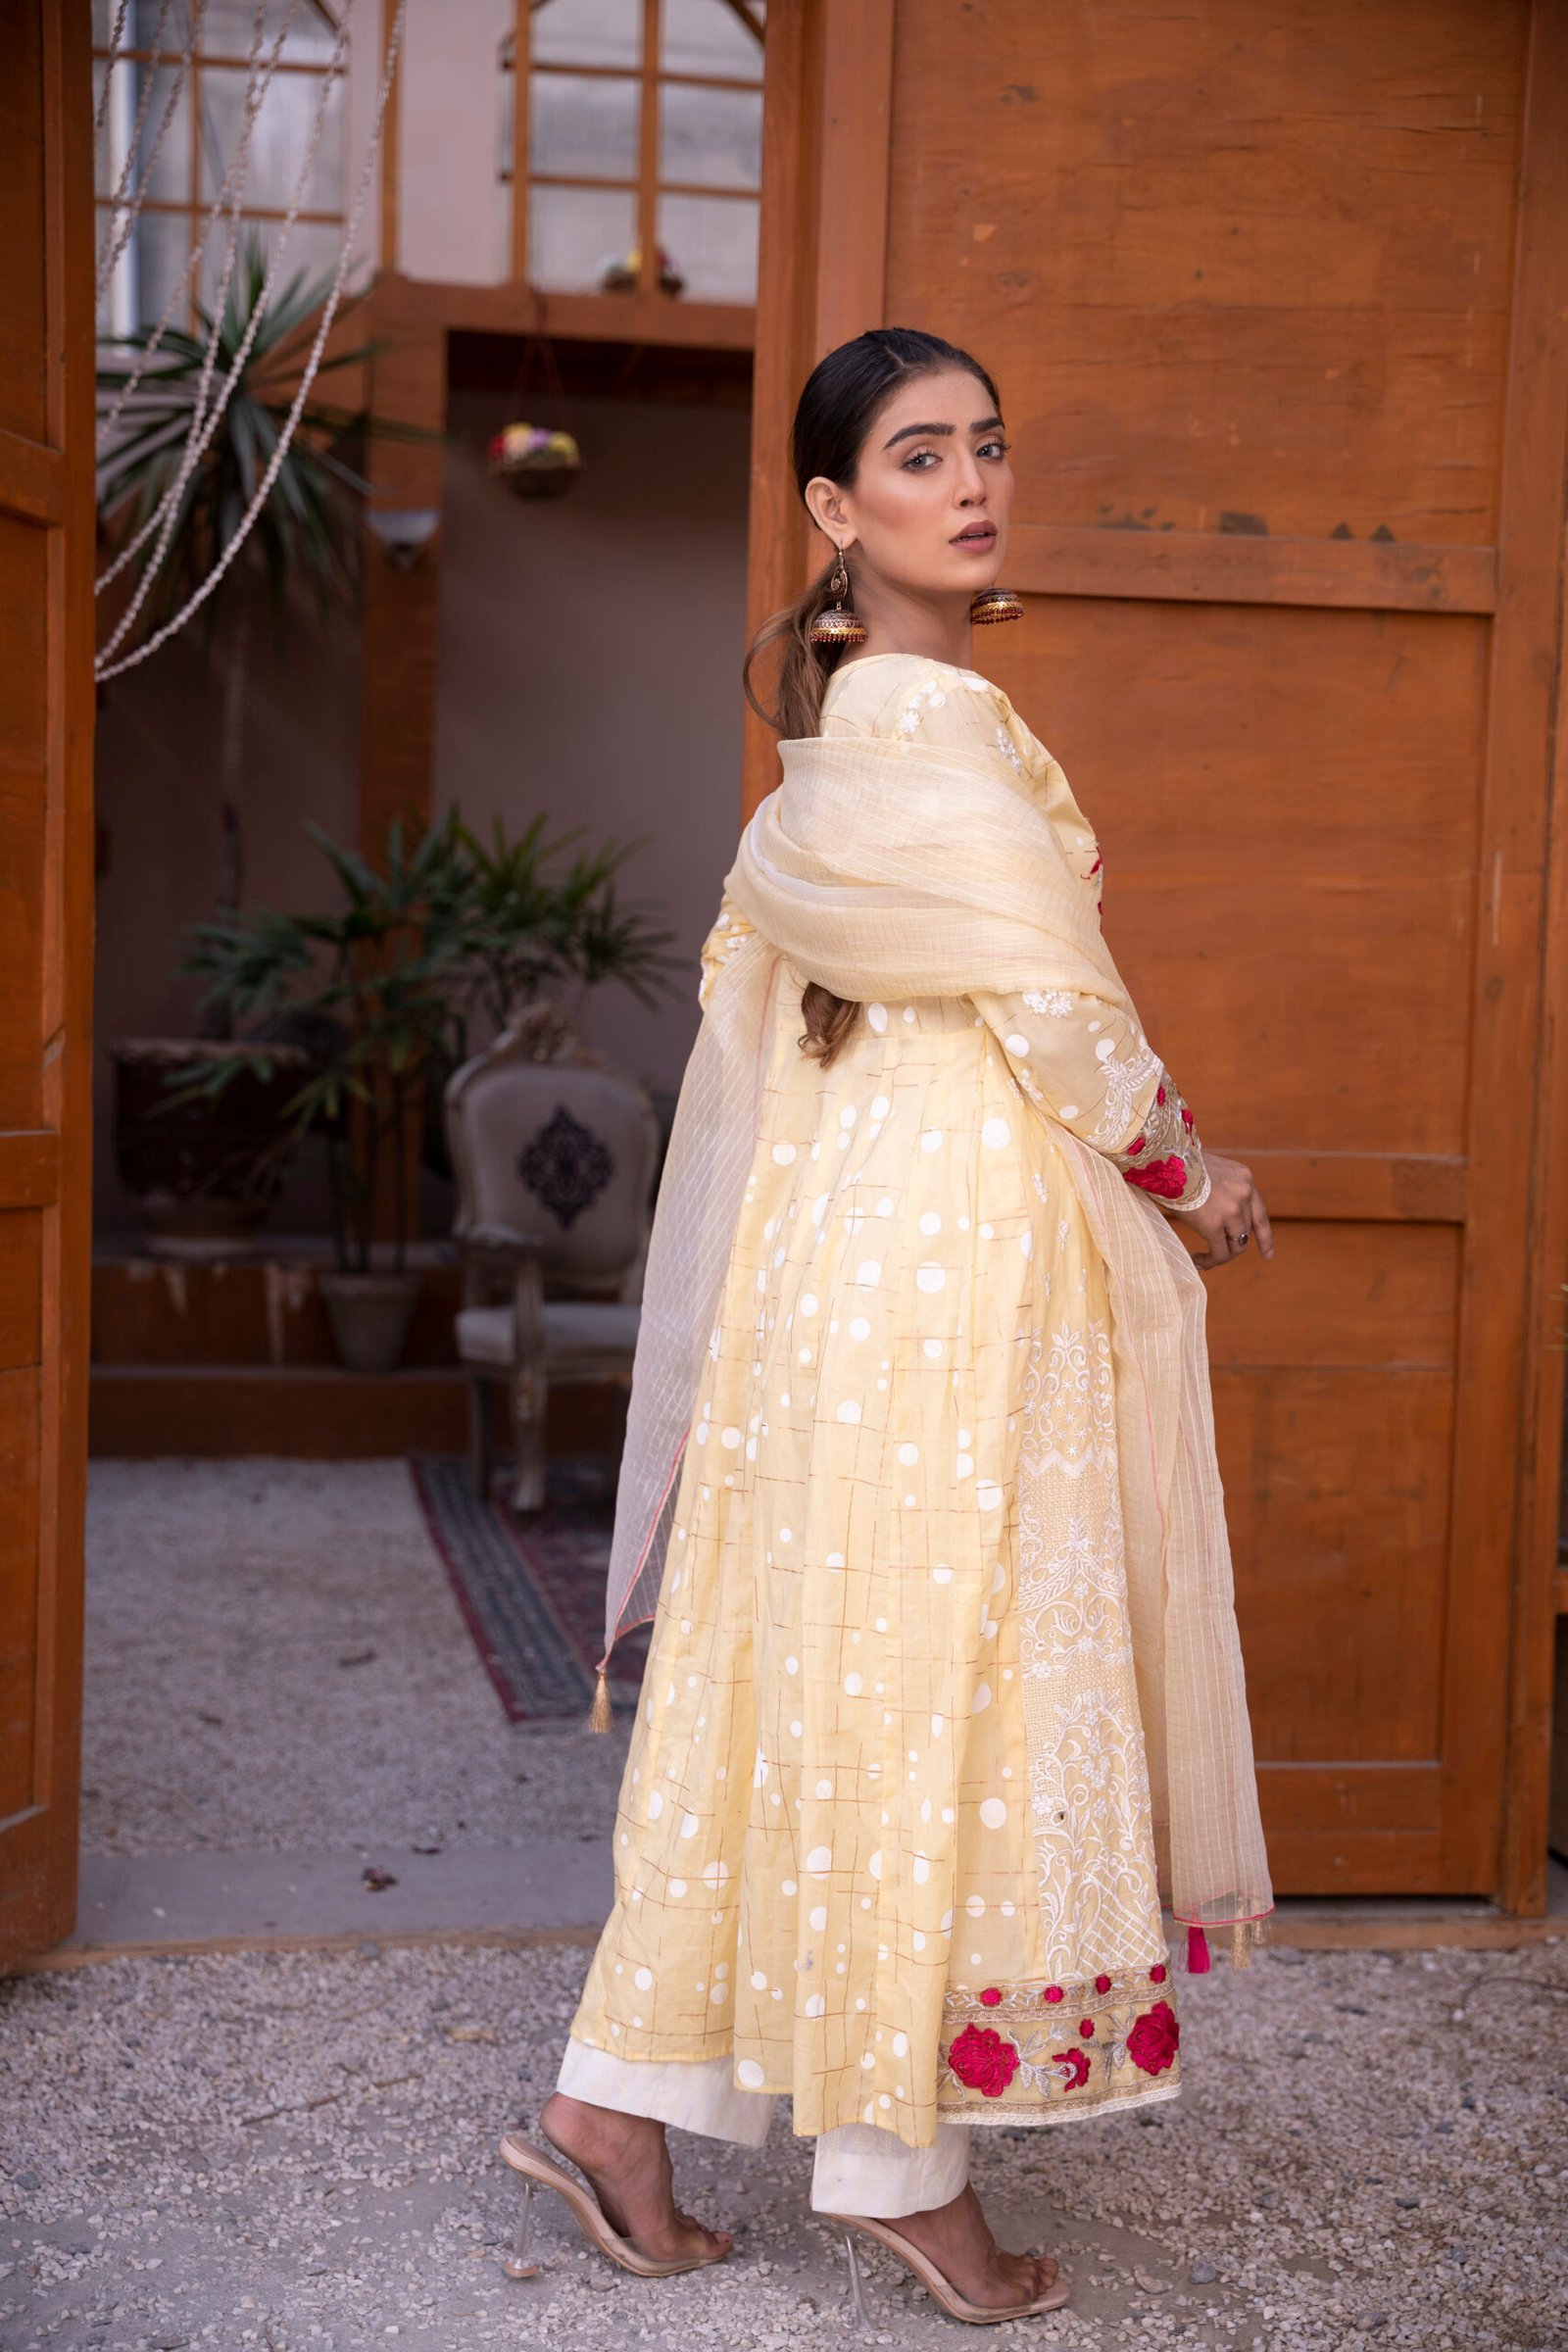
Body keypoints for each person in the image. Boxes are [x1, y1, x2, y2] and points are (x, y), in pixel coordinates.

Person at [497, 326, 1274, 2328]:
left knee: (797, 1662)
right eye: (921, 456)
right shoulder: (931, 725)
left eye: (987, 445)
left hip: (829, 1252)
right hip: (950, 1259)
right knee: (945, 1672)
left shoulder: (833, 746)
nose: (973, 480)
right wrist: (1193, 1177)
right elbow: (1061, 1016)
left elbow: (763, 1022)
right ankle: (900, 2168)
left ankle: (614, 2104)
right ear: (836, 508)